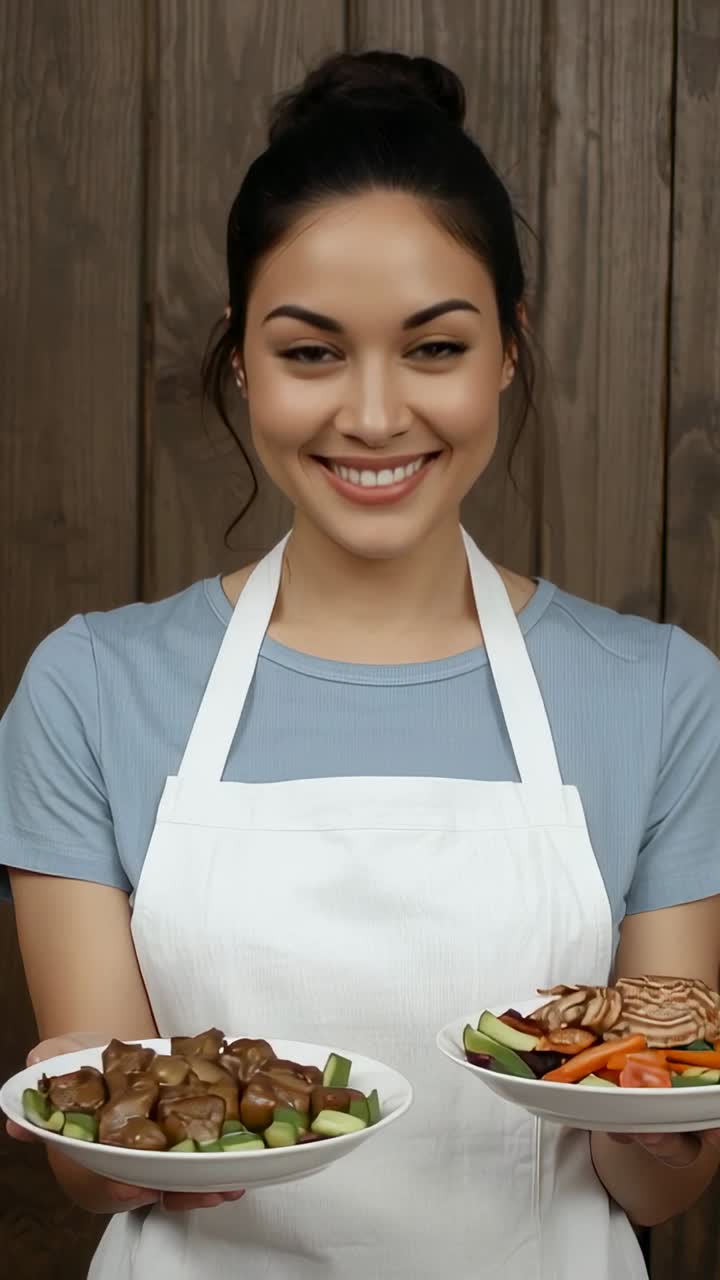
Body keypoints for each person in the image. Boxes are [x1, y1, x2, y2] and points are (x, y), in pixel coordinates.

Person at [2, 48, 720, 1280]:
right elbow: (88, 1144)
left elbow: (658, 1171)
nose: (377, 415)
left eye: (435, 348)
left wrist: (654, 1113)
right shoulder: (87, 688)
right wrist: (107, 1129)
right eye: (312, 351)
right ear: (240, 357)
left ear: (507, 348)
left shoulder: (659, 692)